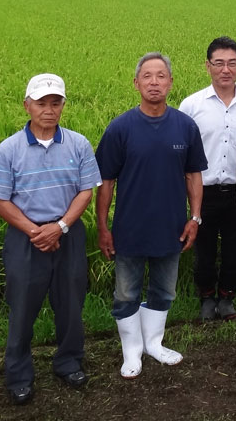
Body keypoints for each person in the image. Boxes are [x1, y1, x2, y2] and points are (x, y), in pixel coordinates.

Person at [0, 73, 101, 405]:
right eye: (41, 103)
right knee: (22, 307)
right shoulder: (9, 149)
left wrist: (60, 226)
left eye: (55, 103)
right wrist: (36, 231)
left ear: (63, 105)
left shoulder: (78, 144)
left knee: (71, 302)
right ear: (27, 105)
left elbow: (85, 191)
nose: (49, 110)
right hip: (26, 238)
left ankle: (69, 361)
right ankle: (18, 374)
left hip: (68, 234)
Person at [95, 52, 208, 378]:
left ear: (171, 82)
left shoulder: (185, 126)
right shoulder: (120, 128)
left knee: (163, 290)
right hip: (129, 229)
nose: (154, 82)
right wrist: (103, 227)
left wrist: (195, 217)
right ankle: (132, 351)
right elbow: (106, 182)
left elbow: (193, 175)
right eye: (147, 76)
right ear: (136, 83)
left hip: (171, 227)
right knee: (126, 292)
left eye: (161, 76)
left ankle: (154, 343)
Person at [179, 36, 236, 321]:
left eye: (232, 63)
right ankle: (205, 297)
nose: (225, 69)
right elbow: (182, 153)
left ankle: (227, 296)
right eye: (219, 63)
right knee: (203, 247)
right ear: (208, 66)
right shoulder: (191, 106)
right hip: (202, 190)